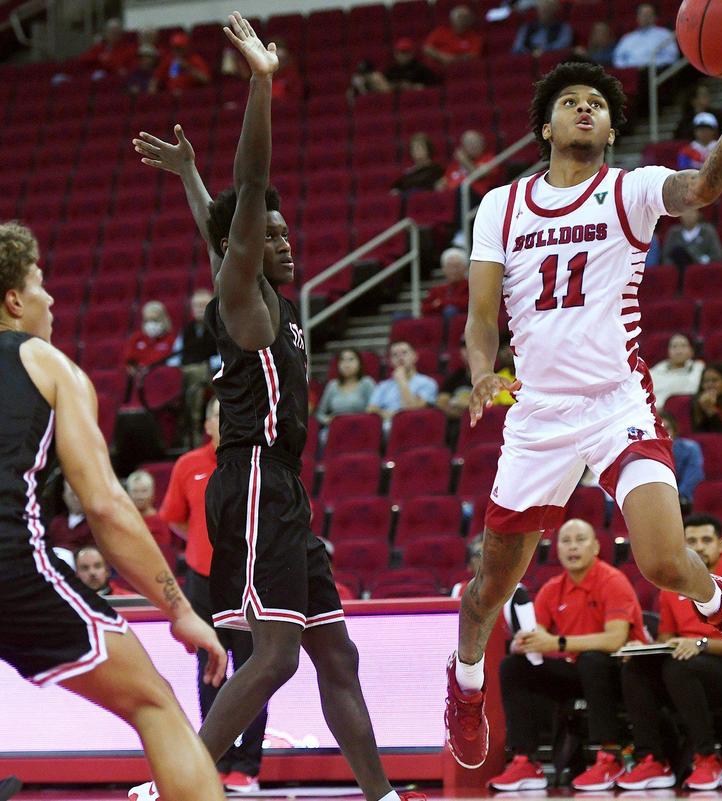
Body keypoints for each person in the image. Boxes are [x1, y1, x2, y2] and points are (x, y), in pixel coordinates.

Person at [442, 38, 722, 774]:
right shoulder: (501, 205)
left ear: (608, 126)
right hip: (535, 415)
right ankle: (465, 688)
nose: (586, 108)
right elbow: (480, 316)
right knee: (486, 591)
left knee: (664, 558)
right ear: (547, 126)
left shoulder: (627, 191)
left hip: (614, 401)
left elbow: (703, 191)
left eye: (597, 103)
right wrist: (479, 370)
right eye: (572, 101)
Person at [130, 17, 422, 801]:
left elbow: (220, 221)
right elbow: (248, 197)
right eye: (273, 237)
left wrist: (191, 176)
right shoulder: (244, 296)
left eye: (289, 235)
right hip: (253, 476)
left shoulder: (264, 298)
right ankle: (175, 784)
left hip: (285, 487)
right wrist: (261, 80)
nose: (285, 243)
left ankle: (383, 795)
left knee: (336, 655)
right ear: (249, 251)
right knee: (275, 655)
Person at [0, 220, 227, 800]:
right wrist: (176, 607)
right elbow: (105, 505)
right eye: (41, 282)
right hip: (10, 569)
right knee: (156, 704)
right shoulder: (47, 365)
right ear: (15, 298)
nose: (51, 297)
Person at [159, 396, 269, 793]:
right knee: (210, 668)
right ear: (207, 424)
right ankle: (215, 760)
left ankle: (247, 765)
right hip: (203, 582)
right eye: (222, 415)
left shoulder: (256, 461)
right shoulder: (188, 464)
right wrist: (206, 547)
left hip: (248, 578)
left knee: (255, 669)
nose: (230, 421)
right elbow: (173, 518)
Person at [488, 520, 647, 791]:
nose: (572, 546)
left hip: (623, 673)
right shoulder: (552, 588)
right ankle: (525, 761)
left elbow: (615, 638)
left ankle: (610, 756)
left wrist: (556, 643)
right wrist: (525, 642)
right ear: (557, 549)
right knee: (514, 666)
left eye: (580, 539)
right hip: (579, 671)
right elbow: (537, 632)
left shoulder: (612, 581)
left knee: (592, 659)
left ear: (596, 547)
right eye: (566, 540)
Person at [619, 514, 722, 791]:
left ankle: (708, 758)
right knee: (635, 669)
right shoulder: (673, 583)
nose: (699, 547)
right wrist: (646, 650)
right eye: (692, 541)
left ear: (721, 545)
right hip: (687, 669)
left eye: (706, 540)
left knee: (680, 667)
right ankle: (652, 760)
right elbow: (667, 637)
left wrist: (700, 645)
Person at [168, 288, 219, 437]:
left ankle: (193, 424)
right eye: (196, 306)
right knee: (182, 375)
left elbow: (225, 356)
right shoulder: (187, 330)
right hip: (188, 371)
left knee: (197, 373)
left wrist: (207, 364)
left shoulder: (220, 326)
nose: (199, 309)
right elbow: (175, 357)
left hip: (212, 373)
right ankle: (181, 421)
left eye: (203, 305)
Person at [366, 341, 438, 422]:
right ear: (390, 361)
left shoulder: (427, 383)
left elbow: (412, 410)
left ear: (415, 356)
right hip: (384, 427)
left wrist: (402, 381)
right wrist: (394, 415)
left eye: (404, 353)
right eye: (395, 355)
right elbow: (371, 410)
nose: (400, 357)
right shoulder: (383, 385)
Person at [315, 348, 377, 428]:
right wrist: (328, 420)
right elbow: (320, 413)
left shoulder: (367, 383)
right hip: (336, 428)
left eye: (351, 359)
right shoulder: (332, 385)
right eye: (342, 360)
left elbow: (374, 410)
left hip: (361, 426)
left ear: (360, 363)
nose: (346, 364)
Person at [613, 3, 680, 69]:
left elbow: (672, 56)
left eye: (648, 14)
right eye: (642, 14)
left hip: (655, 72)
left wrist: (649, 65)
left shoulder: (665, 34)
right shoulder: (628, 38)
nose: (645, 17)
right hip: (631, 72)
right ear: (637, 17)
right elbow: (617, 58)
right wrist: (630, 67)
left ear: (655, 17)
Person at [122, 300, 178, 378]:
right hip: (138, 379)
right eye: (147, 320)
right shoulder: (136, 338)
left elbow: (173, 365)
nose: (151, 324)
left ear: (164, 320)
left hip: (160, 378)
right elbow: (128, 361)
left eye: (155, 320)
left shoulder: (172, 340)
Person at [660, 412, 703, 512]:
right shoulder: (647, 454)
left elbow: (693, 477)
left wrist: (675, 498)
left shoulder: (690, 448)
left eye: (667, 429)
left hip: (684, 501)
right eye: (659, 430)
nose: (663, 433)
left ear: (674, 430)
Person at [441, 130, 500, 199]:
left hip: (477, 198)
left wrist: (464, 161)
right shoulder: (455, 164)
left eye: (476, 142)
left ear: (483, 144)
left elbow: (478, 175)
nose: (473, 146)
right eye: (469, 143)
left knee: (461, 190)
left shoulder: (489, 159)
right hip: (453, 197)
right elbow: (445, 181)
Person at [649, 332, 703, 403]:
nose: (678, 351)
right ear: (668, 351)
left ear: (692, 351)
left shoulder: (698, 369)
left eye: (683, 346)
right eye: (674, 346)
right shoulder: (654, 371)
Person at [126, 469, 173, 549]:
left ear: (152, 493)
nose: (139, 496)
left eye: (144, 491)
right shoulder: (123, 518)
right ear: (128, 494)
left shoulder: (161, 520)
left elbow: (164, 549)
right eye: (135, 491)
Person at [422, 247, 470, 319]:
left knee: (450, 311)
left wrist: (441, 303)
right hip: (439, 325)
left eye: (457, 266)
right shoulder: (437, 290)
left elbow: (467, 303)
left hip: (463, 324)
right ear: (444, 269)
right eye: (450, 266)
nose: (453, 270)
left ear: (465, 268)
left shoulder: (471, 286)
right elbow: (425, 308)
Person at [49, 480, 94, 550]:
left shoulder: (95, 524)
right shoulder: (56, 523)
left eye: (79, 494)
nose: (76, 499)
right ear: (64, 497)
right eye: (72, 495)